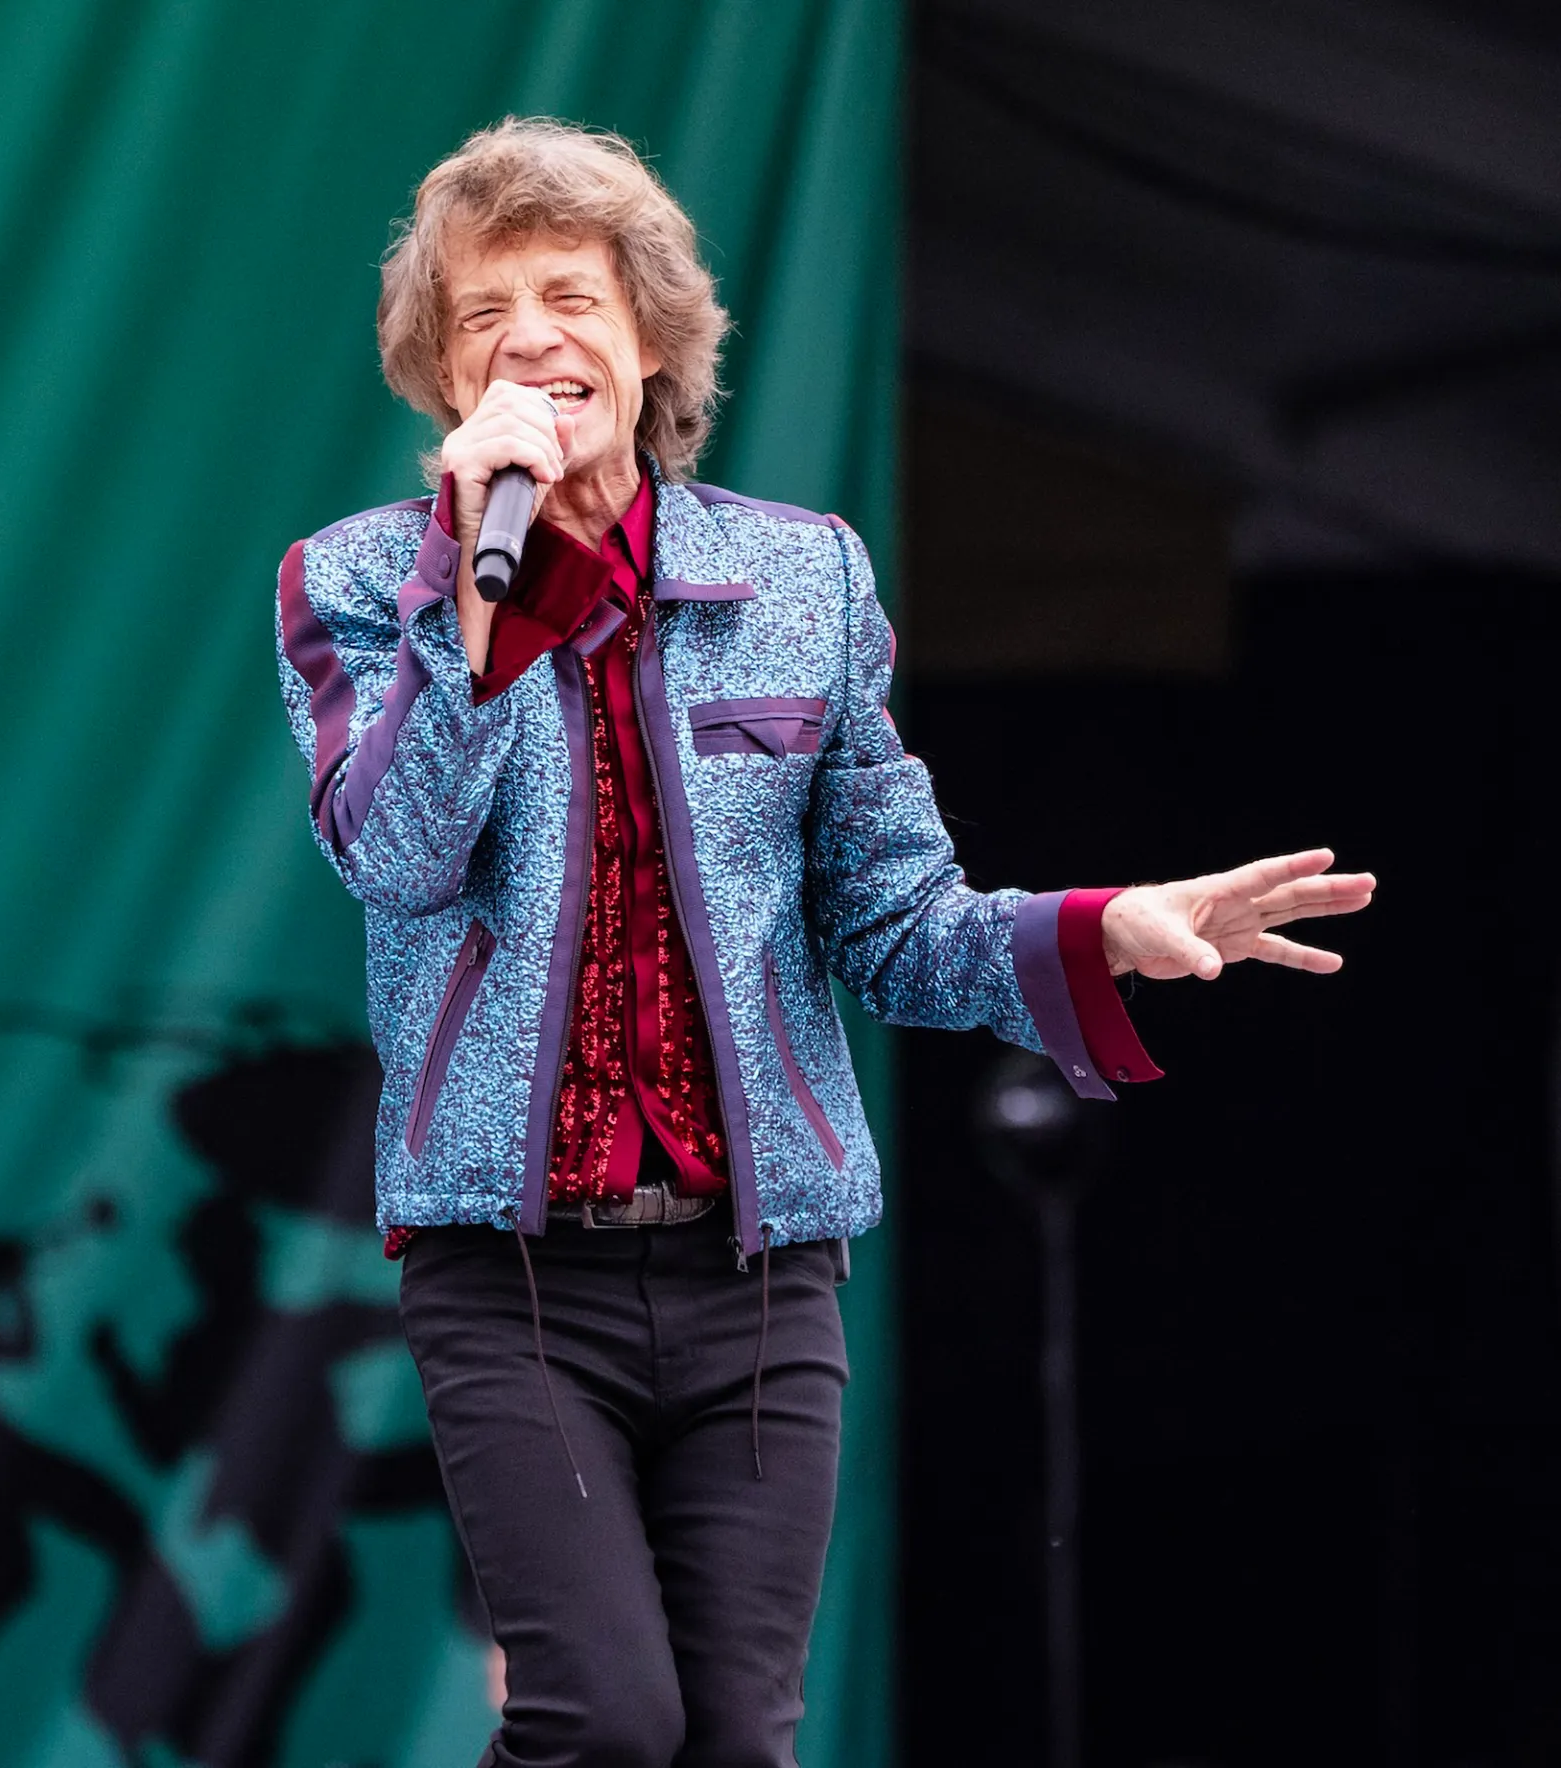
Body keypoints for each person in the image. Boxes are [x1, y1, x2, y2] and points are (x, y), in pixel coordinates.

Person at [273, 116, 1374, 1768]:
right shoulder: (360, 585)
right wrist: (475, 608)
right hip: (514, 1276)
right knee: (603, 1724)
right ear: (442, 375)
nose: (528, 339)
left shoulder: (800, 578)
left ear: (648, 343)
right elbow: (398, 855)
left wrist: (1104, 935)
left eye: (567, 298)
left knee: (734, 1742)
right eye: (482, 312)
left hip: (761, 1270)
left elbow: (894, 919)